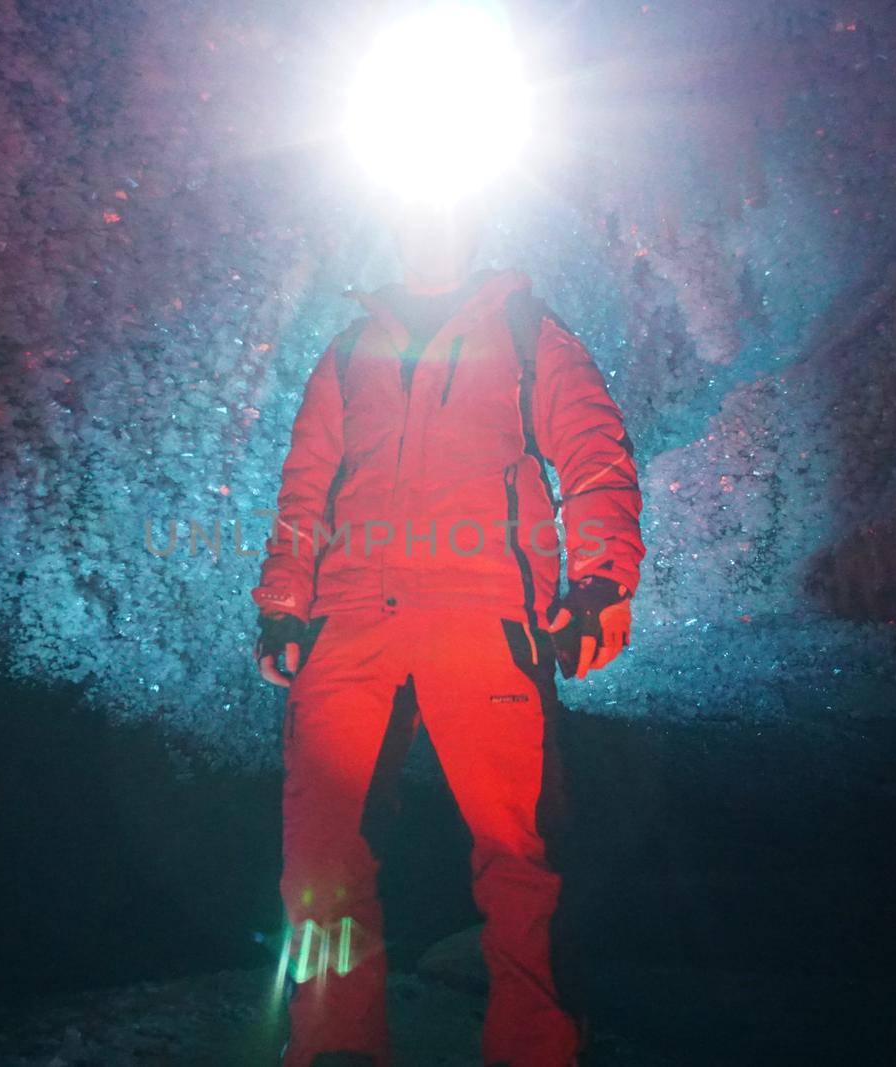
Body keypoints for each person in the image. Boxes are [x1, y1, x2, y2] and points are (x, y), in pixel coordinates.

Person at [252, 202, 645, 1067]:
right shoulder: (350, 347)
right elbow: (307, 478)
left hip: (486, 615)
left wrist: (601, 579)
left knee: (522, 860)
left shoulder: (523, 327)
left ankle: (537, 1052)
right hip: (348, 620)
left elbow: (592, 447)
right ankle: (334, 1050)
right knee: (320, 856)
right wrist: (285, 599)